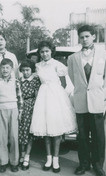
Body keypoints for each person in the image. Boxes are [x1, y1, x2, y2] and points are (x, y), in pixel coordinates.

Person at [67, 25, 106, 176]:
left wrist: (102, 99)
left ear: (93, 36)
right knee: (82, 136)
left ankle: (98, 165)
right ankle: (83, 164)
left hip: (97, 102)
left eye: (87, 36)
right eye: (81, 37)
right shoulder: (72, 58)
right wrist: (82, 93)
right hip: (81, 102)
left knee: (98, 135)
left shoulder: (105, 54)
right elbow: (74, 79)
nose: (84, 39)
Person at [30, 41, 77, 173]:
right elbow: (36, 81)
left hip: (55, 97)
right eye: (42, 52)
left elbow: (63, 84)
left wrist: (57, 96)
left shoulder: (58, 65)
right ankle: (48, 158)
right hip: (43, 98)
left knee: (56, 131)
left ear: (51, 51)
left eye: (47, 51)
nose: (44, 54)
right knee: (46, 130)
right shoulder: (38, 66)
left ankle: (56, 160)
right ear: (39, 53)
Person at [0, 59, 23, 173]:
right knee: (1, 137)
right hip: (1, 110)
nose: (5, 70)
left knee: (14, 137)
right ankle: (3, 162)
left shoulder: (16, 82)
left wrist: (20, 111)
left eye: (7, 68)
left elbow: (20, 97)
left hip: (13, 110)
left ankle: (14, 162)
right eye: (3, 68)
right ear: (0, 69)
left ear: (11, 69)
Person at [18, 59, 41, 171]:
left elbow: (37, 95)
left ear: (32, 70)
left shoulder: (35, 80)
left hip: (32, 106)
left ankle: (27, 155)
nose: (26, 72)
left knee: (29, 132)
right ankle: (22, 154)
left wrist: (36, 108)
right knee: (21, 131)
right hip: (21, 107)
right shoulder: (19, 80)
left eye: (27, 70)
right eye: (23, 70)